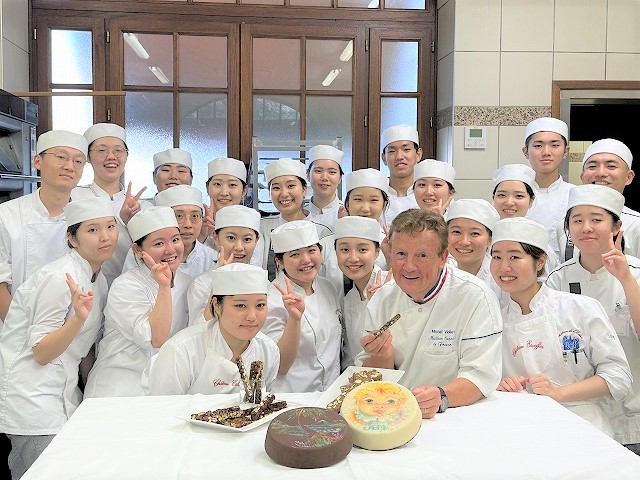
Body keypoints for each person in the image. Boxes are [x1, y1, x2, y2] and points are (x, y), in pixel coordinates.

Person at [0, 197, 117, 479]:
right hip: (34, 397)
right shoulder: (58, 278)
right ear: (72, 239)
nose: (105, 237)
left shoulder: (98, 279)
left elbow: (82, 348)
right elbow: (41, 352)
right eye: (92, 230)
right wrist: (77, 319)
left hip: (63, 392)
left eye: (110, 226)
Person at [355, 209, 503, 419]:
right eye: (401, 254)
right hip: (390, 413)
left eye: (422, 255)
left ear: (443, 257)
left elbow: (481, 376)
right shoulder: (383, 299)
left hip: (453, 415)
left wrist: (441, 396)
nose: (409, 267)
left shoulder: (475, 297)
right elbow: (371, 376)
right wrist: (383, 355)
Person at [491, 216, 631, 436]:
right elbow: (486, 380)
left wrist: (558, 392)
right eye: (496, 257)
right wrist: (502, 385)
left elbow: (619, 376)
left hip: (584, 428)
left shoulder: (579, 308)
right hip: (524, 429)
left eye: (514, 257)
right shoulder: (495, 324)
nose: (503, 267)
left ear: (540, 262)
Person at [546, 184, 640, 452]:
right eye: (577, 220)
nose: (586, 227)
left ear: (616, 226)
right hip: (579, 412)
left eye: (596, 220)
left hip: (633, 412)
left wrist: (626, 280)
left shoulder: (635, 272)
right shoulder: (558, 279)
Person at [84, 206, 191, 398]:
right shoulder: (126, 286)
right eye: (159, 243)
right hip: (117, 389)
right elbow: (155, 338)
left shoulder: (188, 283)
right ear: (138, 250)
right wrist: (164, 287)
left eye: (175, 240)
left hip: (160, 389)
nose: (171, 249)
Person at [147, 264, 279, 396]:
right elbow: (163, 405)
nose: (252, 317)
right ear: (217, 305)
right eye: (240, 305)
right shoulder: (181, 350)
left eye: (260, 305)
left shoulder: (269, 350)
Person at [0, 130, 88, 328]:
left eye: (78, 161)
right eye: (61, 157)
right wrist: (22, 332)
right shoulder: (6, 215)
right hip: (15, 328)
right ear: (37, 161)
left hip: (74, 328)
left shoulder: (87, 219)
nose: (69, 166)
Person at [262, 221, 341, 392]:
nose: (306, 260)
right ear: (279, 262)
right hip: (293, 395)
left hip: (331, 391)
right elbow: (280, 365)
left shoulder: (328, 287)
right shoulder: (270, 300)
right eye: (295, 254)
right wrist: (294, 319)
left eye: (311, 250)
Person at [71, 123, 148, 286]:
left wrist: (131, 223)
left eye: (119, 150)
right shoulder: (74, 198)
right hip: (84, 287)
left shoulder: (144, 207)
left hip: (134, 290)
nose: (111, 156)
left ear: (126, 156)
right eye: (102, 150)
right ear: (88, 157)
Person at [255, 157, 342, 295]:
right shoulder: (261, 228)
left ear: (304, 190)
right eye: (276, 188)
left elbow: (331, 277)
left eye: (291, 186)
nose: (284, 193)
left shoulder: (323, 231)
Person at [557, 138, 640, 262]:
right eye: (592, 166)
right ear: (582, 176)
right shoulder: (566, 224)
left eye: (611, 166)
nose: (601, 173)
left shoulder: (636, 225)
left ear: (628, 177)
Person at [187, 204, 261, 324]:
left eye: (247, 239)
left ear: (256, 241)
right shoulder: (201, 284)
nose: (239, 247)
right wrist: (220, 281)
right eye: (231, 238)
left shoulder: (261, 282)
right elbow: (197, 328)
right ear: (216, 238)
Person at [334, 216, 390, 370]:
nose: (353, 258)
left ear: (377, 252)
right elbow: (350, 354)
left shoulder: (392, 286)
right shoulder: (348, 300)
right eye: (345, 250)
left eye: (362, 249)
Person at [492, 163, 559, 275]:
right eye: (502, 195)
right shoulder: (483, 237)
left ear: (531, 201)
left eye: (519, 196)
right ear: (493, 198)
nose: (509, 202)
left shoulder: (540, 244)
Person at [522, 117, 573, 259]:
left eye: (554, 145)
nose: (546, 152)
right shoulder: (512, 196)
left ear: (565, 151)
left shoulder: (575, 195)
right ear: (526, 152)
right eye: (538, 145)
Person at [444, 199, 507, 306]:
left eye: (474, 233)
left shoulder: (502, 279)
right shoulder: (441, 274)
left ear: (490, 239)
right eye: (456, 232)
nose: (464, 242)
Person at [155, 185, 215, 278]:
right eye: (178, 216)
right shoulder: (146, 255)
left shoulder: (213, 259)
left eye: (195, 216)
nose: (188, 225)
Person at [342, 168, 390, 269]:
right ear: (347, 204)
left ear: (384, 204)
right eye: (358, 199)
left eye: (374, 200)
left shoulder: (390, 243)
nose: (365, 209)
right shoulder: (328, 243)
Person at [199, 157, 248, 247]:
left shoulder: (252, 225)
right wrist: (201, 236)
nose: (224, 193)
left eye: (232, 185)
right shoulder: (195, 223)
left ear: (244, 191)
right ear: (207, 188)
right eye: (217, 184)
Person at [380, 124, 422, 227]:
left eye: (406, 150)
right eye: (392, 151)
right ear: (384, 158)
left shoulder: (429, 194)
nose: (399, 157)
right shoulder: (376, 194)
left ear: (418, 154)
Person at [305, 144, 344, 231]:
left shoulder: (348, 214)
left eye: (332, 172)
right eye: (318, 171)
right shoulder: (299, 214)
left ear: (340, 178)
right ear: (307, 175)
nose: (324, 178)